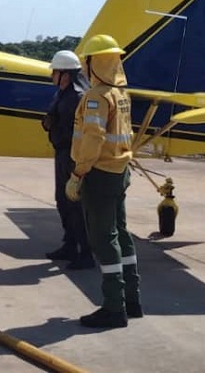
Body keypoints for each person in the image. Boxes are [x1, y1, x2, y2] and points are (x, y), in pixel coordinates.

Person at [66, 34, 141, 328]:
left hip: (99, 173)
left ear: (94, 62)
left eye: (87, 62)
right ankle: (131, 300)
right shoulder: (122, 94)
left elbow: (93, 139)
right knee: (121, 233)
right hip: (120, 170)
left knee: (103, 238)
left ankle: (113, 307)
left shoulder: (97, 96)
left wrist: (78, 173)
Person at [42, 50, 95, 270]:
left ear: (65, 74)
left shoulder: (78, 96)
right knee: (62, 200)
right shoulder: (63, 93)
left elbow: (81, 130)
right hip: (62, 152)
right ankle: (70, 244)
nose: (52, 75)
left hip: (72, 155)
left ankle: (86, 253)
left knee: (75, 205)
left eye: (55, 71)